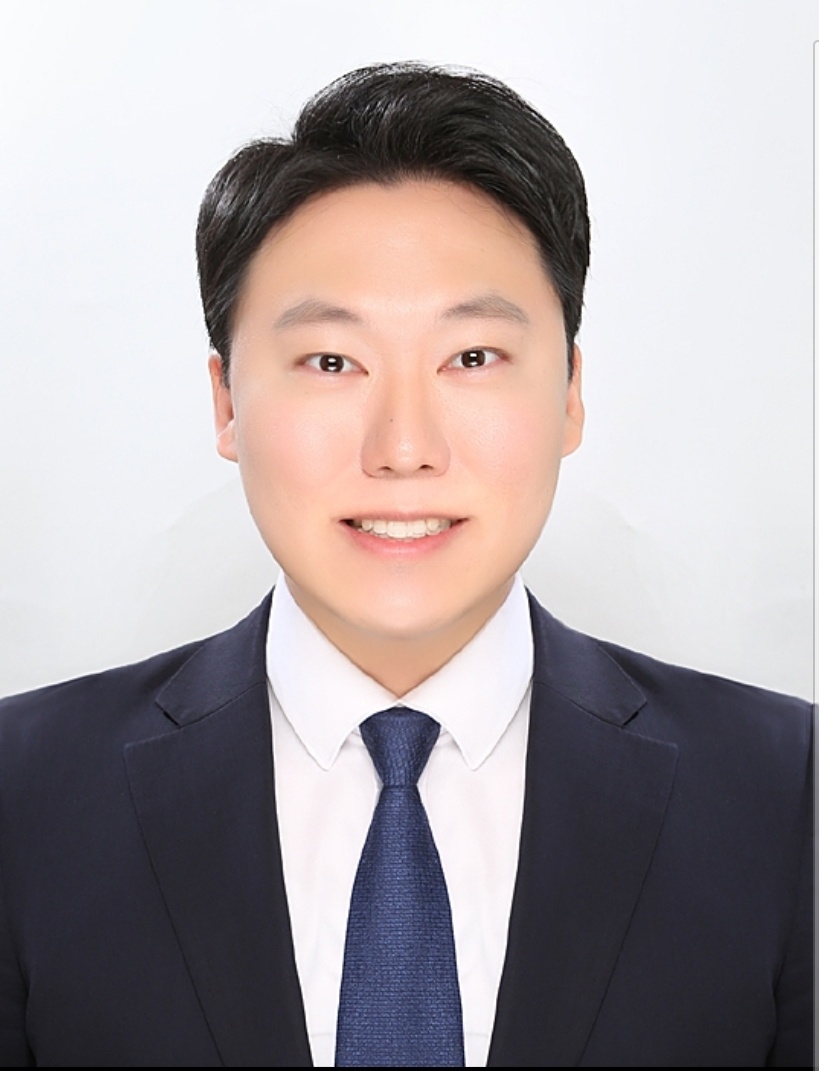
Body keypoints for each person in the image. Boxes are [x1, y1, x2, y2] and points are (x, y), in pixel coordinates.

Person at [0, 63, 811, 1069]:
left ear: (569, 393)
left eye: (471, 358)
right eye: (331, 362)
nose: (403, 447)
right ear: (226, 403)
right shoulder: (23, 796)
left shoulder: (787, 796)